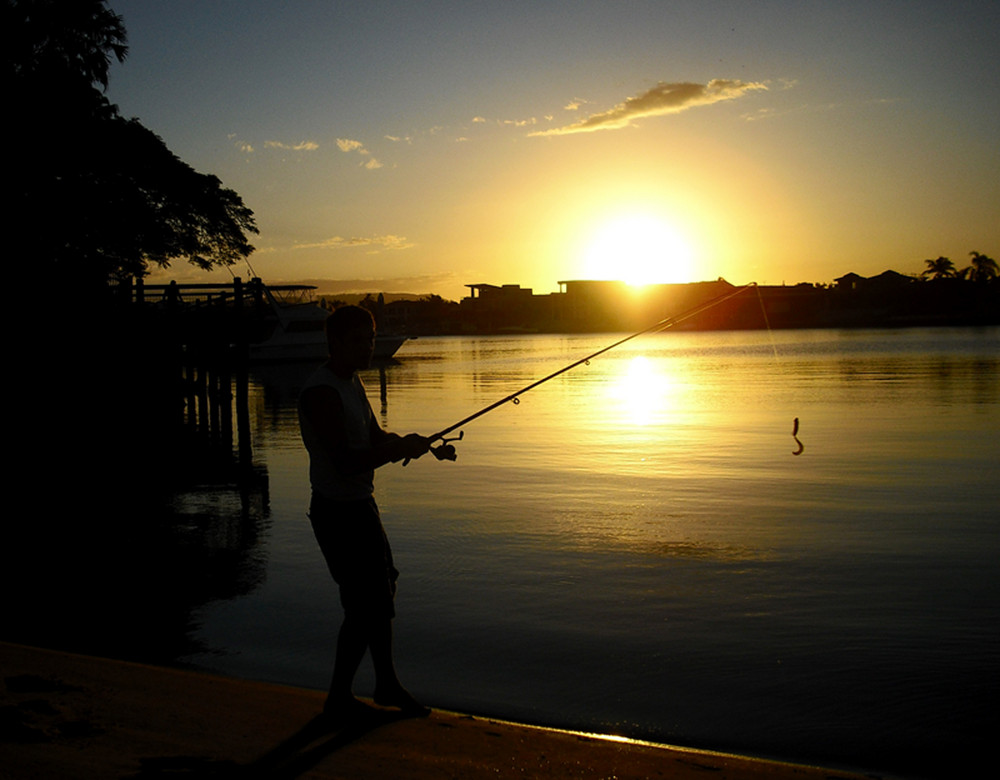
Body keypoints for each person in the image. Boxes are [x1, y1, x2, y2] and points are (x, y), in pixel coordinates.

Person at [298, 305, 437, 722]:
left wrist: (408, 442)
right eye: (358, 340)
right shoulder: (322, 391)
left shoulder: (351, 382)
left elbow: (373, 439)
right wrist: (392, 451)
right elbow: (345, 460)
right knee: (363, 604)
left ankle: (384, 684)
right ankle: (341, 697)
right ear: (335, 343)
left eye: (371, 339)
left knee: (381, 591)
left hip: (360, 506)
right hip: (337, 513)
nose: (367, 347)